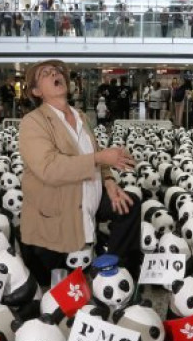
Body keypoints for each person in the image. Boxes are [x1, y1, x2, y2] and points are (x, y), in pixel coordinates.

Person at [18, 59, 140, 285]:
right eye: (46, 73)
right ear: (36, 91)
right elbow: (49, 168)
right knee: (60, 278)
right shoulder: (32, 122)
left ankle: (119, 273)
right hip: (62, 204)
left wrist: (110, 181)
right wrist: (100, 158)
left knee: (128, 205)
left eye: (57, 71)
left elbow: (91, 153)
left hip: (90, 193)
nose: (55, 73)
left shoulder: (81, 116)